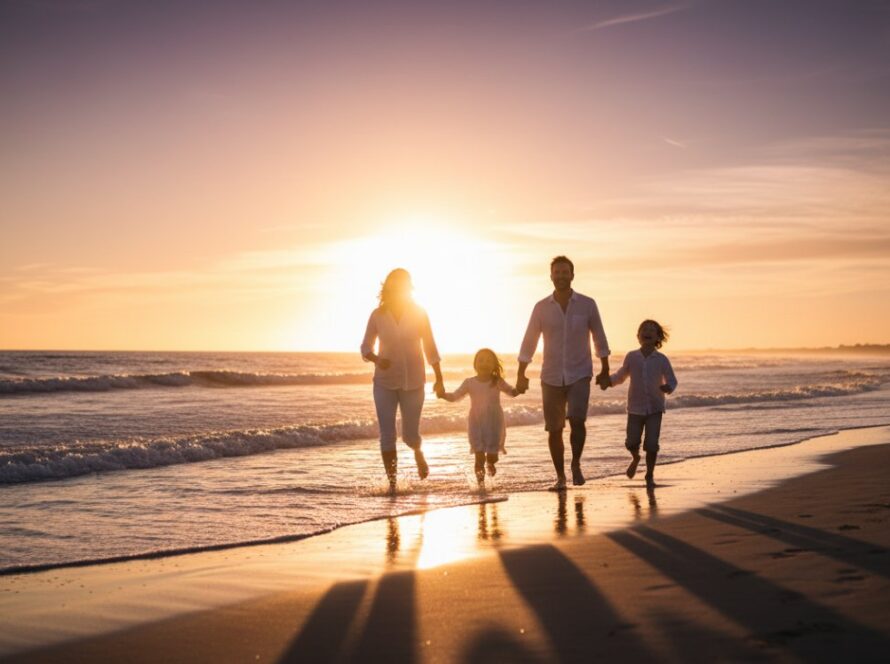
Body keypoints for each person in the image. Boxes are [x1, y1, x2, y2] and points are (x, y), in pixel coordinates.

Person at [517, 256, 610, 491]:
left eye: (564, 272)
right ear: (551, 276)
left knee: (577, 420)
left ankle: (576, 464)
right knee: (554, 428)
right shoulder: (541, 308)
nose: (560, 276)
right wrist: (521, 372)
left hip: (580, 373)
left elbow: (599, 335)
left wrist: (605, 368)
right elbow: (530, 340)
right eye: (556, 272)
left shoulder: (587, 304)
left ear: (572, 275)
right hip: (550, 376)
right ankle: (560, 477)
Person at [361, 268, 444, 490]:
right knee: (387, 435)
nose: (399, 288)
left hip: (414, 382)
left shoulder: (419, 313)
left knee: (409, 435)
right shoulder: (377, 315)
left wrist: (439, 378)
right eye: (395, 284)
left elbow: (430, 346)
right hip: (384, 383)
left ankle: (418, 452)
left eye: (404, 285)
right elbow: (365, 346)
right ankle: (392, 484)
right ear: (388, 287)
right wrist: (377, 359)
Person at [605, 319, 678, 489]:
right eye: (644, 329)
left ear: (658, 337)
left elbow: (672, 379)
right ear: (638, 336)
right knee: (631, 442)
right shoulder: (632, 356)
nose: (648, 331)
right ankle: (636, 458)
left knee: (652, 444)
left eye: (652, 330)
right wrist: (608, 381)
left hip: (655, 408)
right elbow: (621, 375)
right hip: (635, 409)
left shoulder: (661, 359)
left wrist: (669, 387)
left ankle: (649, 475)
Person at [438, 348, 518, 486]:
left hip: (494, 424)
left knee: (492, 457)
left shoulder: (496, 381)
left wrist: (520, 387)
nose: (484, 363)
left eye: (488, 361)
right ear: (475, 364)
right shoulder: (469, 382)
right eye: (481, 360)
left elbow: (512, 392)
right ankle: (481, 486)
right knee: (478, 455)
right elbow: (455, 396)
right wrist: (444, 395)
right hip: (476, 423)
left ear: (494, 365)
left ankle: (491, 462)